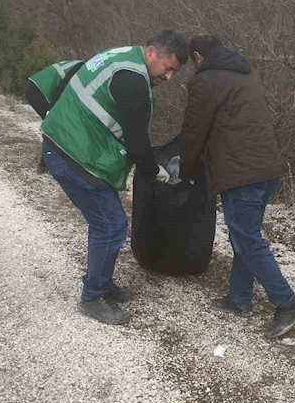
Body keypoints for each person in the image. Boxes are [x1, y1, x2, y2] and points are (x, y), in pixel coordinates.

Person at [39, 30, 188, 325]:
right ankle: (93, 297)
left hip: (65, 143)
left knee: (107, 222)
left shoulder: (122, 57)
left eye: (174, 72)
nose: (169, 77)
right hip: (73, 153)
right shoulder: (133, 79)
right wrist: (154, 172)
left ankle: (103, 284)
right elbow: (136, 141)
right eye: (168, 68)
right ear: (151, 52)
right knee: (110, 225)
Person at [179, 35, 295, 339]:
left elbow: (194, 130)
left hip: (241, 173)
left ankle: (288, 304)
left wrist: (184, 169)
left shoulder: (205, 81)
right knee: (244, 236)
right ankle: (239, 299)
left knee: (247, 239)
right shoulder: (247, 73)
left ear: (197, 56)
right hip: (266, 169)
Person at [26, 59, 84, 172]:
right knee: (56, 128)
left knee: (58, 127)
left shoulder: (84, 67)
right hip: (39, 91)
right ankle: (45, 164)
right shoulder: (81, 69)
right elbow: (62, 88)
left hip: (36, 87)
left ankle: (46, 164)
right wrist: (51, 111)